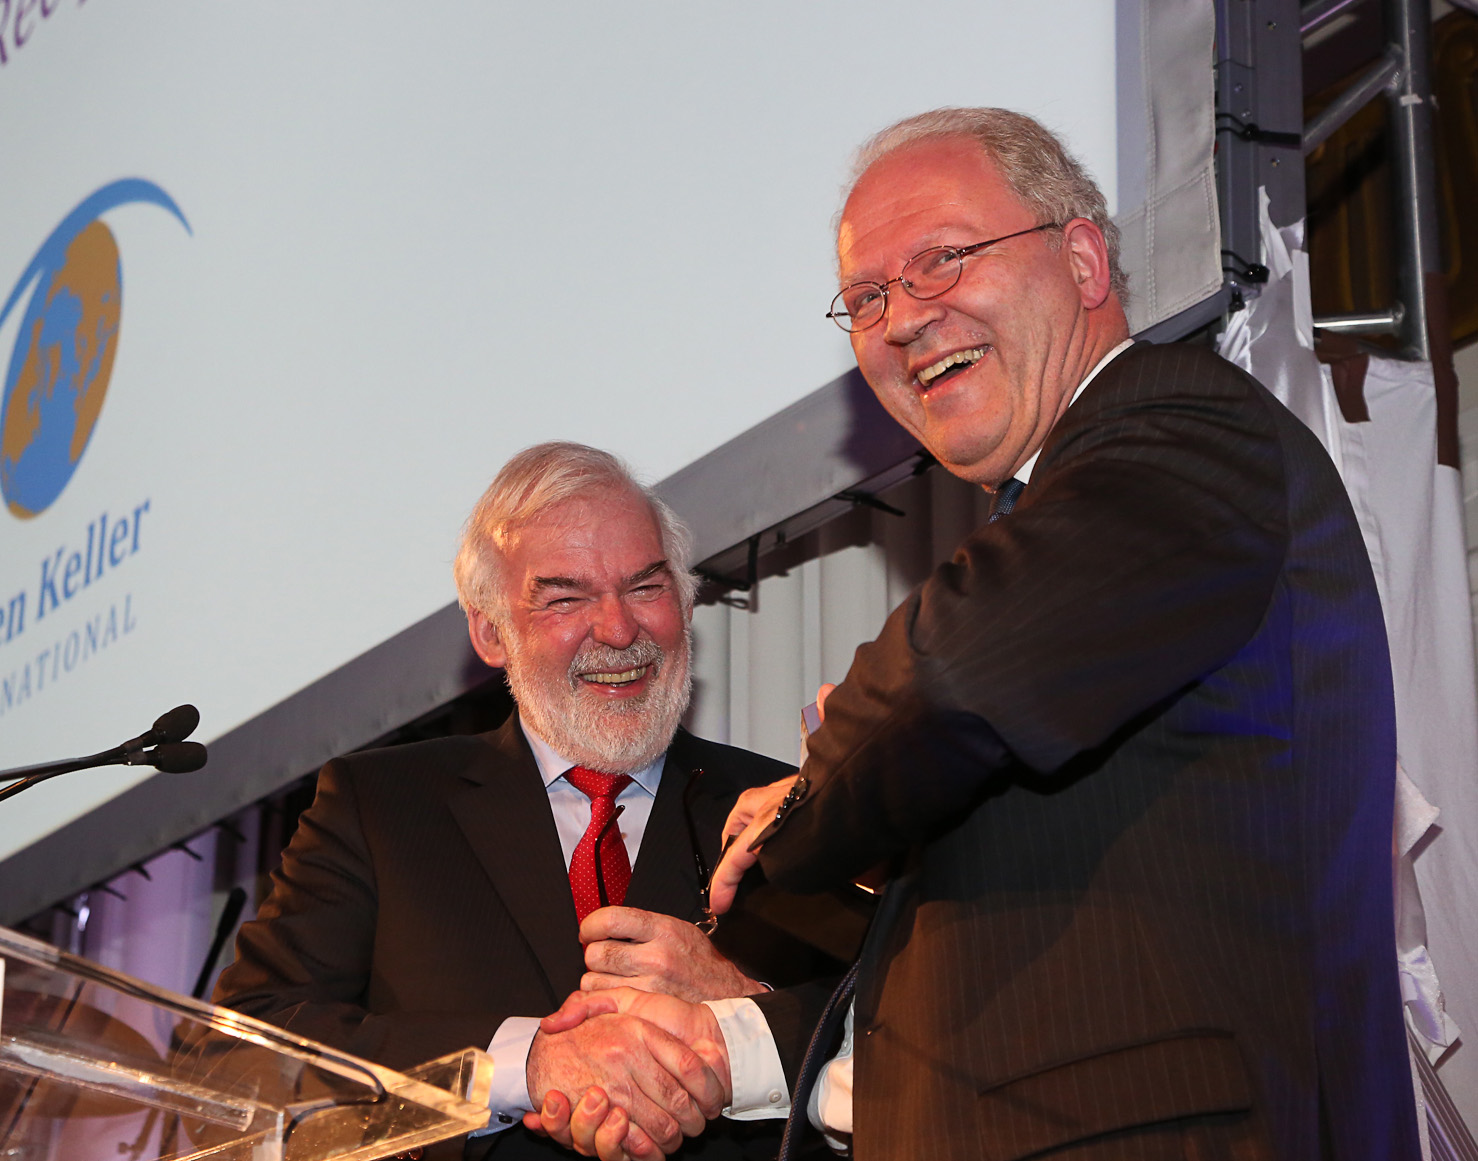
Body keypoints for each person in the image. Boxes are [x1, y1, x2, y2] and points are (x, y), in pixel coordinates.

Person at [534, 109, 1418, 1159]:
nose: (903, 318)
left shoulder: (1179, 424)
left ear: (1083, 259)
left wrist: (812, 801)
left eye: (943, 261)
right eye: (867, 298)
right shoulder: (1077, 527)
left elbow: (947, 673)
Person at [213, 442, 825, 1161]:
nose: (620, 630)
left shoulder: (789, 807)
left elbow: (891, 1035)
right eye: (566, 597)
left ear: (685, 598)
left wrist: (738, 1000)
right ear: (490, 632)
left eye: (645, 587)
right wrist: (526, 1063)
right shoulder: (381, 806)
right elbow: (239, 1054)